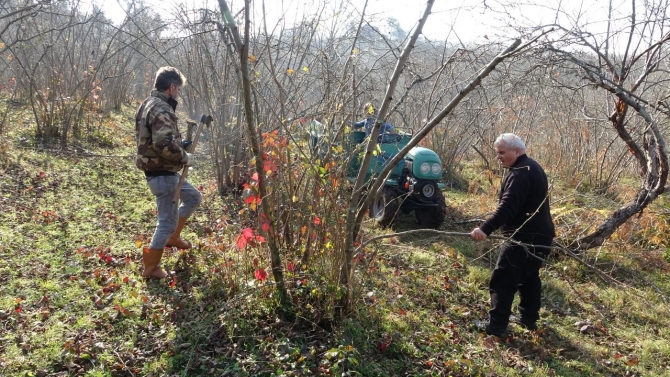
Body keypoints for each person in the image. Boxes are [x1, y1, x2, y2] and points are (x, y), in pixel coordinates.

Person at [470, 133, 555, 337]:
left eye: (502, 153)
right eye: (497, 153)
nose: (498, 157)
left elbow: (508, 207)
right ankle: (528, 319)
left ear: (517, 151)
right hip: (541, 236)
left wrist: (485, 229)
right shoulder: (530, 166)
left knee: (502, 279)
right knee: (529, 277)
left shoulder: (521, 173)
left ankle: (496, 327)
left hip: (524, 237)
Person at [135, 66, 202, 279]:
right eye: (178, 90)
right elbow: (163, 143)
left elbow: (158, 138)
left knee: (193, 197)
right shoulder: (162, 108)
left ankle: (174, 238)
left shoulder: (148, 104)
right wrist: (184, 157)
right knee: (166, 222)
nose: (178, 94)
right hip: (162, 173)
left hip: (164, 171)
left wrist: (181, 144)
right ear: (171, 87)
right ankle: (151, 268)